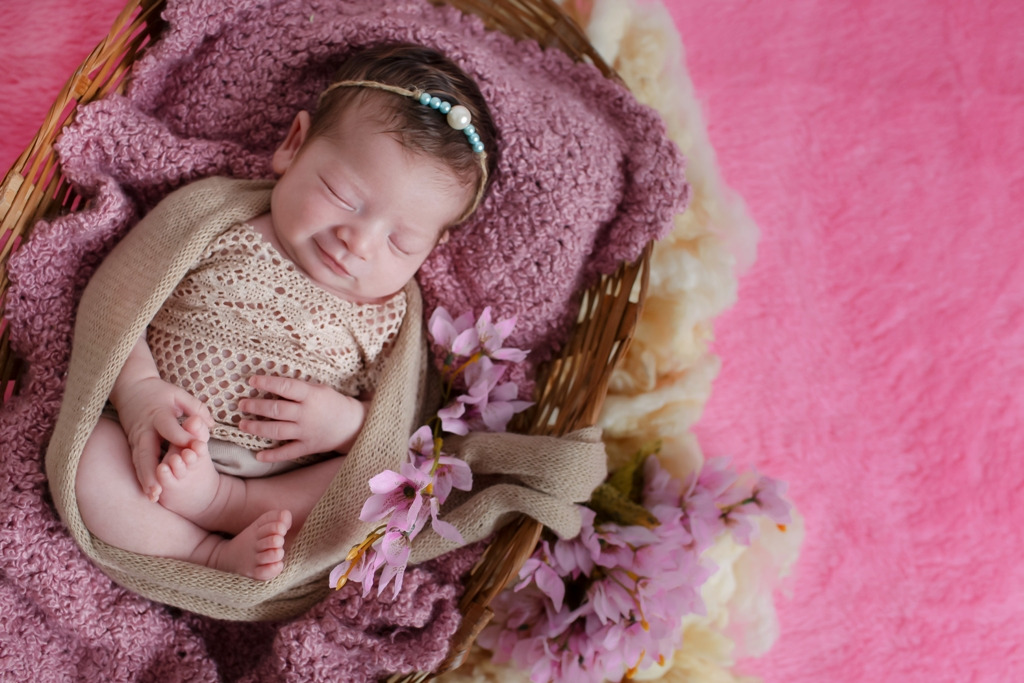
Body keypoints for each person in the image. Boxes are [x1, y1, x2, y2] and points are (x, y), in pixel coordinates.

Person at [73, 43, 496, 581]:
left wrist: (348, 427)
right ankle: (198, 553)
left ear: (428, 252)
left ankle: (223, 511)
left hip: (271, 486)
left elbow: (400, 424)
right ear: (293, 147)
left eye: (401, 242)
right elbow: (122, 298)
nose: (358, 242)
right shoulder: (217, 218)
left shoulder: (391, 313)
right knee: (90, 461)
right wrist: (137, 394)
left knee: (365, 489)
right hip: (154, 433)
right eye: (343, 196)